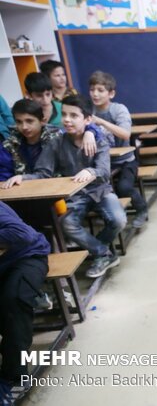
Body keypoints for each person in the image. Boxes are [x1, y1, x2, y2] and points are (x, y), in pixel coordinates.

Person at [1, 94, 127, 279]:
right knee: (67, 224)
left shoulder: (98, 139)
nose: (67, 120)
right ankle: (103, 253)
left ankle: (98, 250)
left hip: (100, 191)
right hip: (75, 196)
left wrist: (91, 171)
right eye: (65, 115)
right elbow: (43, 173)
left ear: (87, 119)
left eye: (74, 116)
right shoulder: (56, 142)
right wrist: (23, 177)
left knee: (119, 220)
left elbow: (104, 171)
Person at [0, 201, 50, 405]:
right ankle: (36, 296)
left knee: (13, 301)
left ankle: (16, 377)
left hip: (26, 257)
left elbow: (23, 234)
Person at [89, 71, 148, 228]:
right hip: (102, 163)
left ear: (111, 93)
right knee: (96, 189)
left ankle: (142, 209)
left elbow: (125, 133)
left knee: (124, 187)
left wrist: (101, 122)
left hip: (125, 161)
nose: (95, 94)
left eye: (100, 90)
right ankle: (109, 215)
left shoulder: (118, 109)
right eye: (92, 90)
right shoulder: (89, 110)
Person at [0, 99, 97, 181]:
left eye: (29, 121)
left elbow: (79, 129)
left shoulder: (56, 136)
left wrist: (91, 132)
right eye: (19, 122)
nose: (24, 127)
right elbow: (4, 175)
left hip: (59, 190)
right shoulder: (9, 144)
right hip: (23, 191)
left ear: (43, 121)